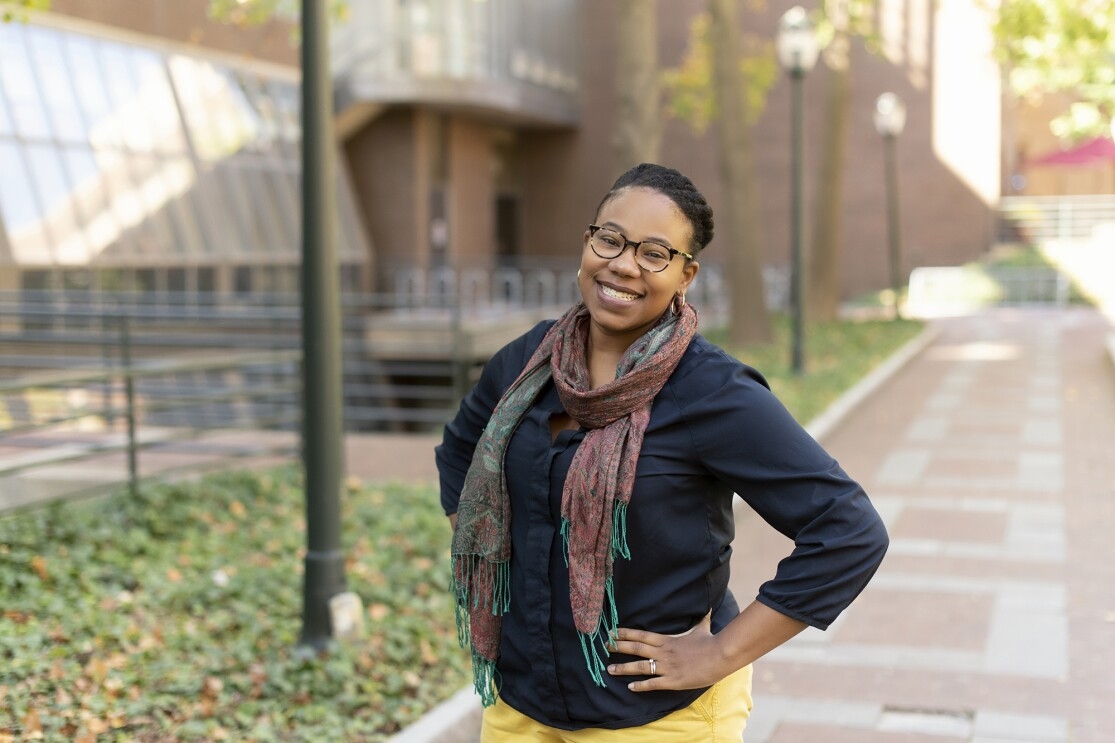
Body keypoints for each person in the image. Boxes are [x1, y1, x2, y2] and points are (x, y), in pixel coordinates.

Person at [435, 163, 889, 741]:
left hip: (655, 717)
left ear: (686, 274)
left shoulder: (711, 392)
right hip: (520, 703)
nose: (623, 264)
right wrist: (494, 555)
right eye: (610, 239)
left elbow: (849, 530)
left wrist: (721, 653)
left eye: (655, 253)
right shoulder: (527, 362)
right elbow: (460, 450)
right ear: (587, 243)